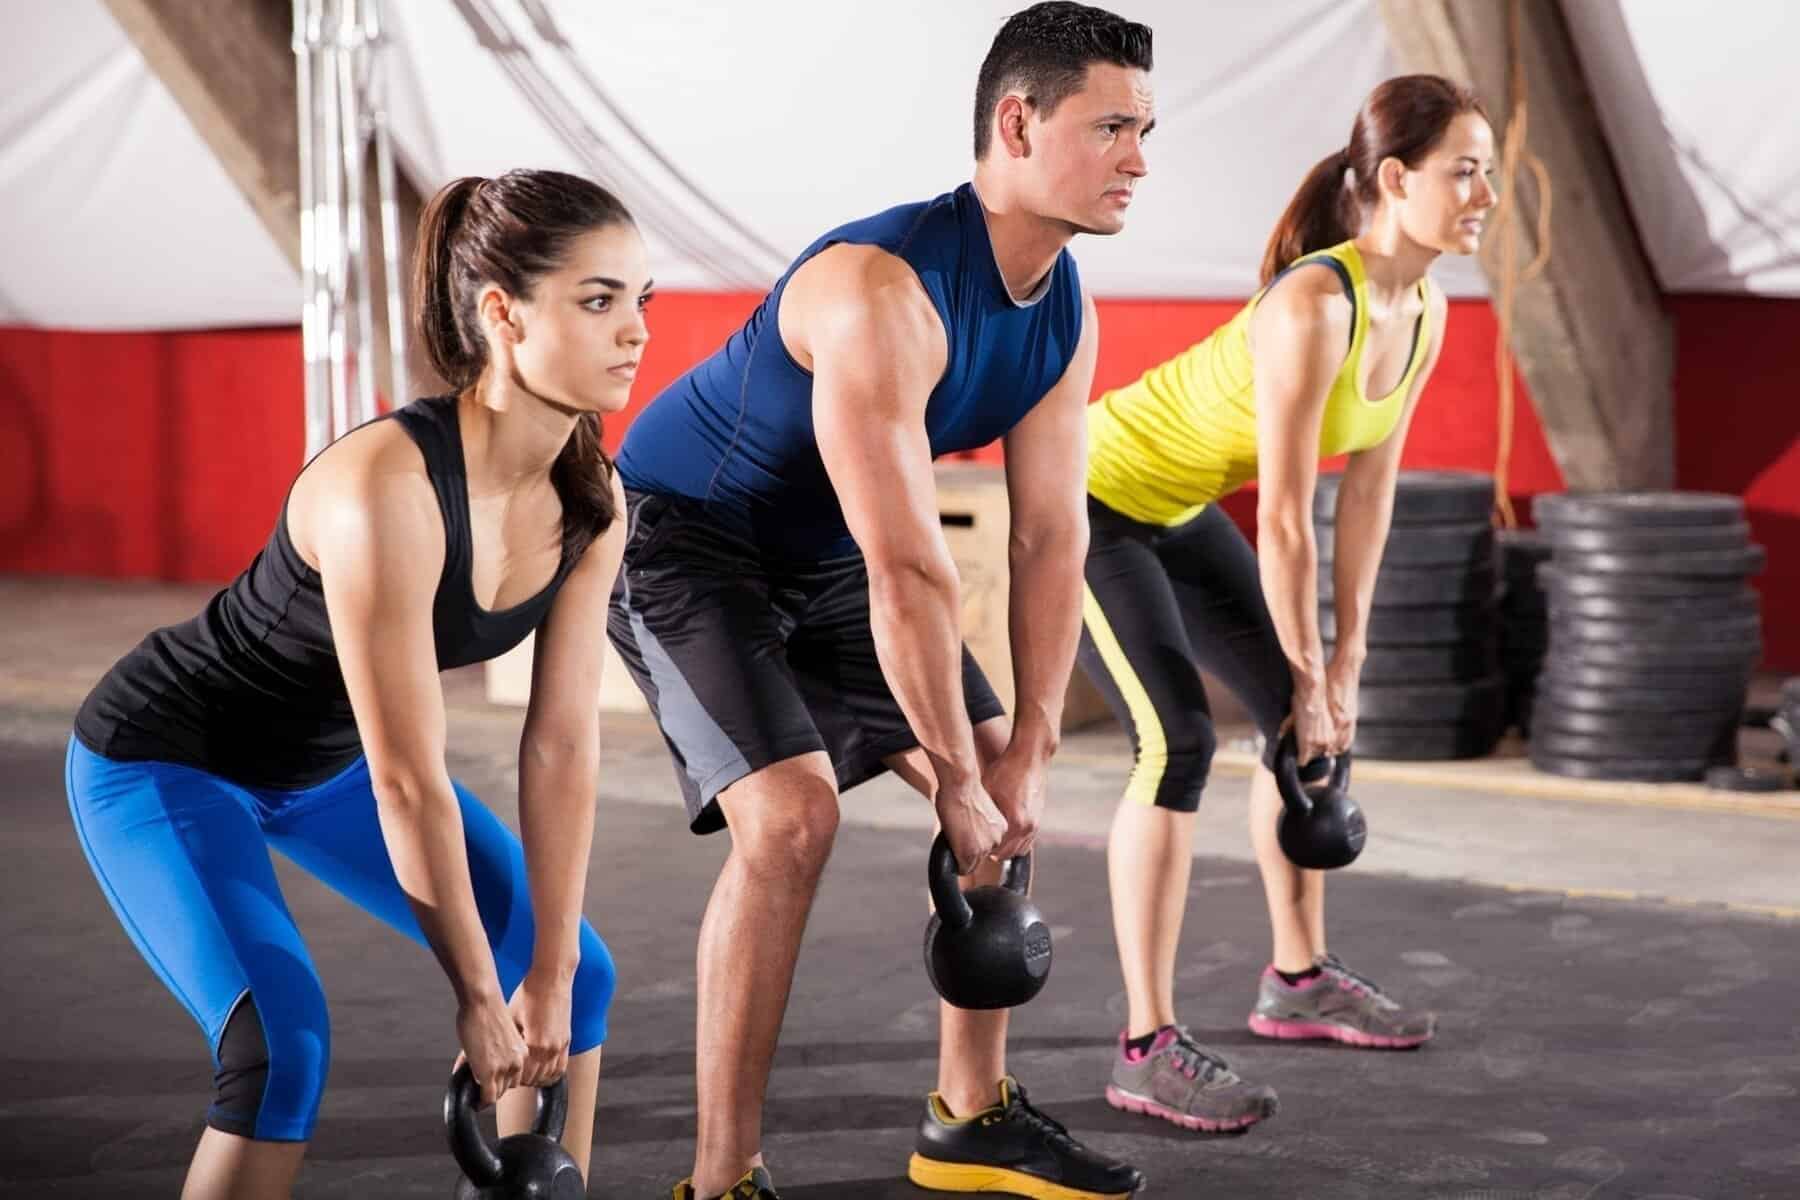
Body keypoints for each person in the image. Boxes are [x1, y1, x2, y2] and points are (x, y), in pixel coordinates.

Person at [606, 4, 1154, 1197]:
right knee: (792, 820)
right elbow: (910, 568)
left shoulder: (1065, 311)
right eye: (1111, 128)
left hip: (831, 557)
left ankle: (970, 1117)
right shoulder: (881, 287)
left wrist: (1027, 752)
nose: (1138, 161)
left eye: (1144, 133)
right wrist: (950, 777)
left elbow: (1051, 535)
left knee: (1002, 781)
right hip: (686, 541)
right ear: (1019, 124)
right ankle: (720, 1177)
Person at [65, 169, 647, 1198]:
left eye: (642, 298)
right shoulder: (387, 487)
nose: (636, 330)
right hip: (171, 760)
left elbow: (560, 743)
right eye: (599, 301)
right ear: (503, 314)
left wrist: (547, 974)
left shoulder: (591, 498)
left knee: (578, 979)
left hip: (327, 765)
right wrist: (478, 992)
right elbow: (408, 780)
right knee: (280, 1049)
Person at [1078, 74, 1496, 1133]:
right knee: (1175, 743)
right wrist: (1310, 669)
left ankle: (1298, 980)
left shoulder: (1425, 309)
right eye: (1465, 172)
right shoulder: (1316, 304)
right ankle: (1145, 1046)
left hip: (1175, 508)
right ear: (1395, 179)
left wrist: (1344, 664)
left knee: (1296, 735)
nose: (1486, 195)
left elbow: (1370, 496)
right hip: (1087, 500)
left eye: (1490, 172)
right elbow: (1284, 516)